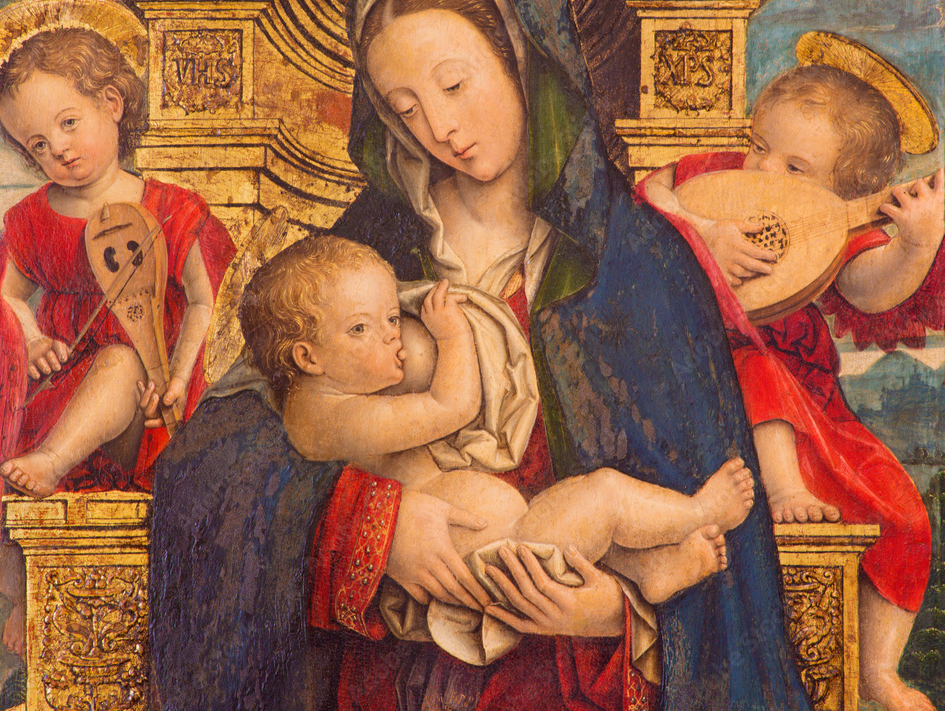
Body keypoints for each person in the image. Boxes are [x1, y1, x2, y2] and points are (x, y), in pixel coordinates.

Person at [151, 0, 815, 711]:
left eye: (455, 84)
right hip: (390, 682)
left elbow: (730, 572)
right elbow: (211, 470)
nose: (438, 127)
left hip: (571, 687)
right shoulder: (356, 262)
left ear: (523, 59)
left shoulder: (640, 265)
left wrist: (617, 614)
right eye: (405, 108)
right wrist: (373, 526)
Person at [240, 233, 752, 642]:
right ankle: (701, 511)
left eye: (392, 317)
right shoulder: (328, 417)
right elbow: (452, 407)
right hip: (497, 556)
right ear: (307, 358)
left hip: (503, 546)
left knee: (595, 532)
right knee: (605, 495)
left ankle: (651, 570)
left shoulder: (323, 404)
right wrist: (452, 334)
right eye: (361, 329)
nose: (392, 334)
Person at [639, 61, 943, 711]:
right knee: (757, 366)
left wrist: (915, 246)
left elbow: (869, 288)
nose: (765, 170)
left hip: (815, 411)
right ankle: (784, 492)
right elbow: (653, 191)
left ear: (840, 191)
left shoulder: (834, 226)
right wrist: (704, 233)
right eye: (759, 146)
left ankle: (878, 669)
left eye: (796, 168)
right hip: (713, 390)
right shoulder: (722, 183)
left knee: (906, 515)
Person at [0, 0, 235, 654]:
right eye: (38, 144)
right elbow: (8, 298)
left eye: (68, 123)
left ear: (112, 102)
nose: (59, 150)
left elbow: (205, 300)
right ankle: (26, 594)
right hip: (57, 391)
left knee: (119, 360)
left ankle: (53, 462)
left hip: (143, 406)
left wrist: (177, 378)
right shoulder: (32, 218)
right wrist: (32, 338)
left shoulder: (171, 207)